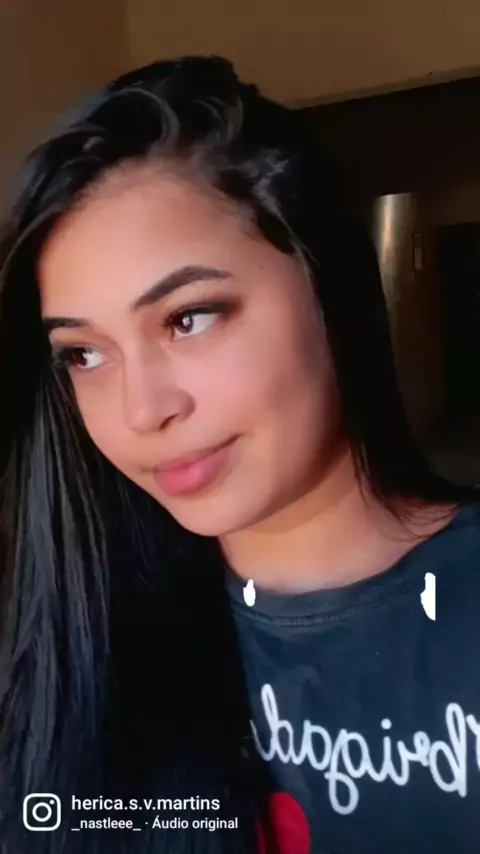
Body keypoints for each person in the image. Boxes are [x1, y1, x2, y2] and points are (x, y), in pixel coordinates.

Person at [0, 55, 478, 854]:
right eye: (84, 354)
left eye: (188, 318)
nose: (142, 411)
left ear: (328, 283)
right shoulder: (73, 650)